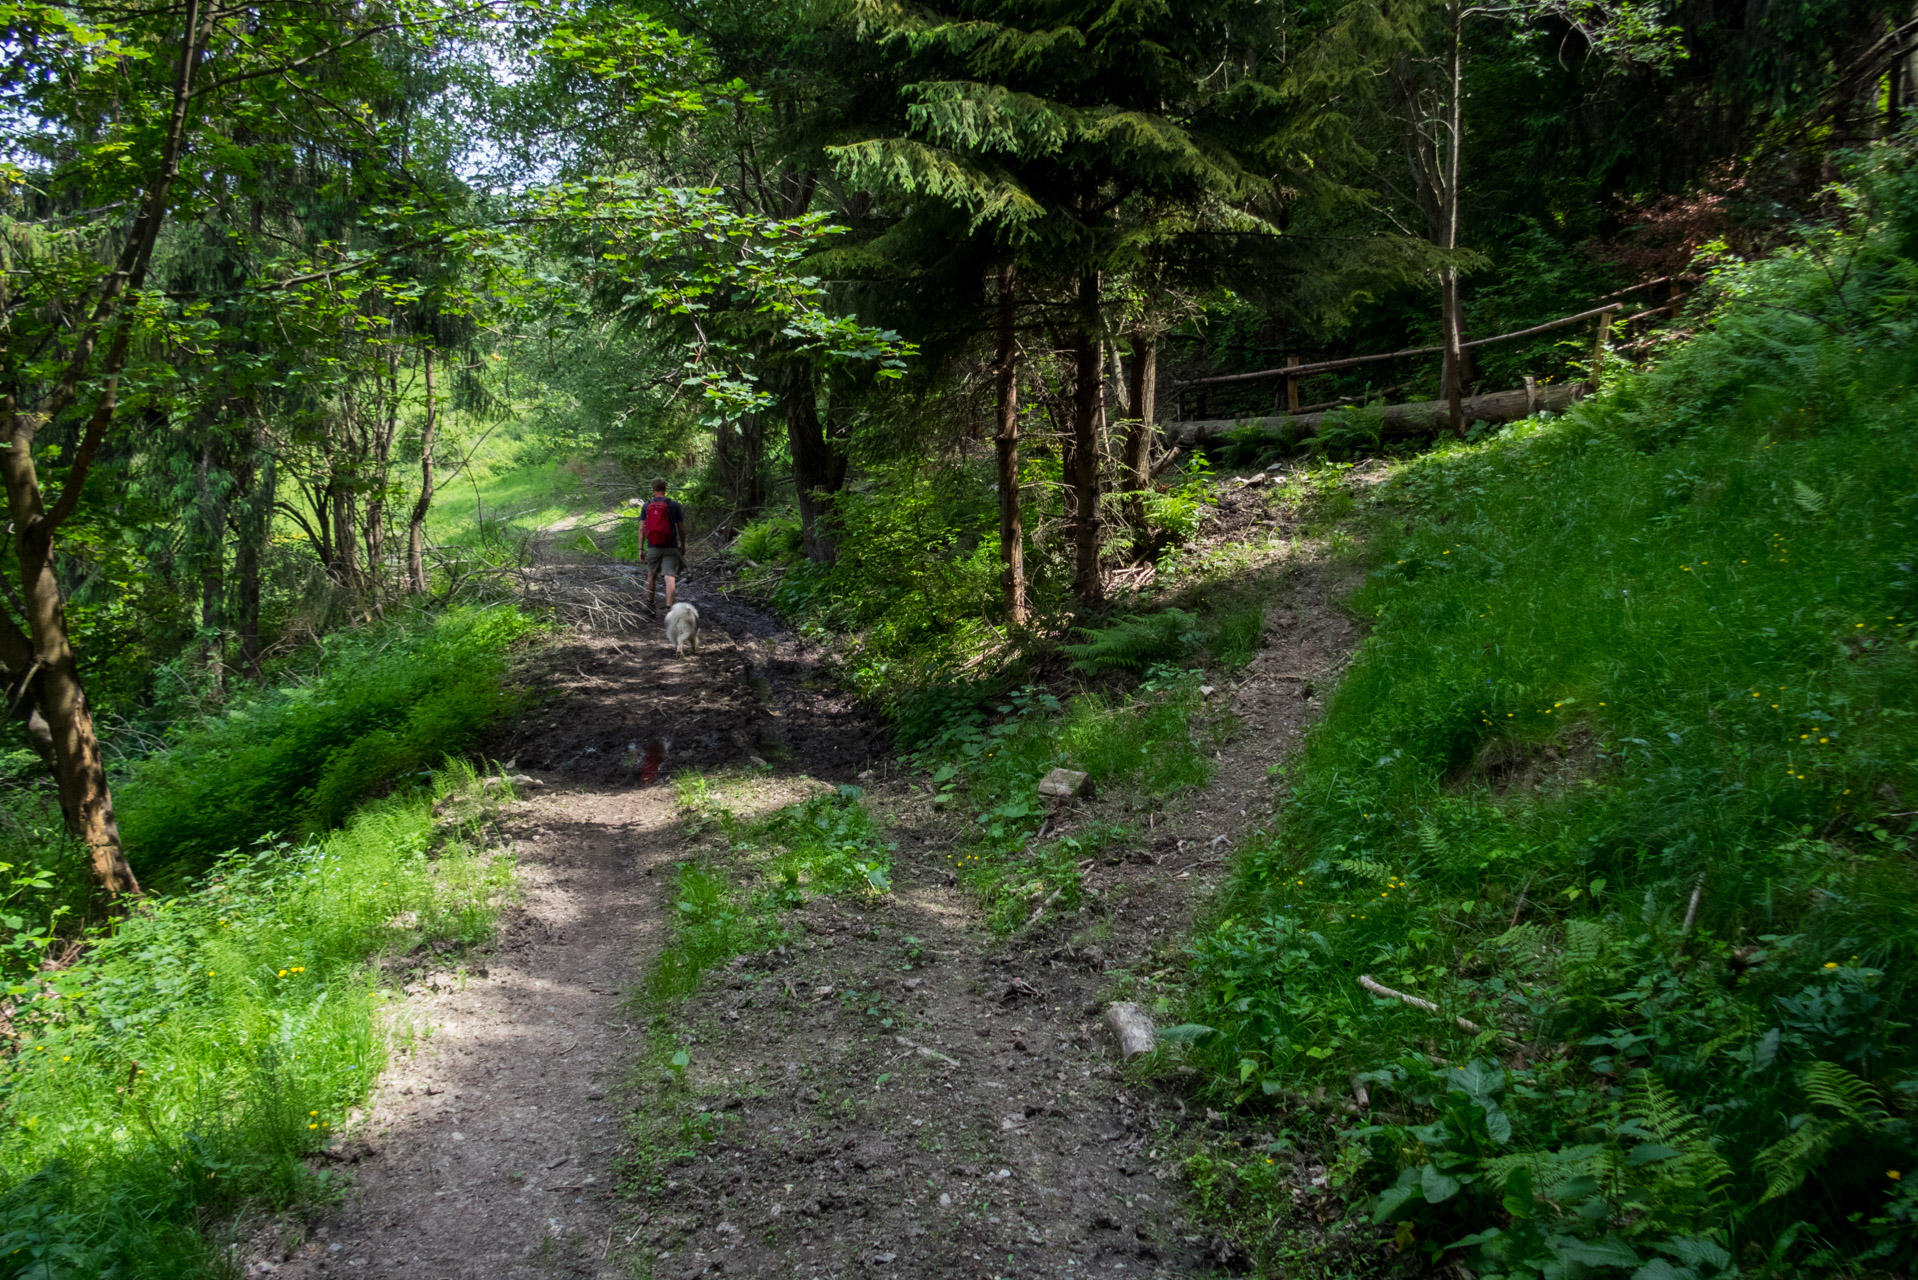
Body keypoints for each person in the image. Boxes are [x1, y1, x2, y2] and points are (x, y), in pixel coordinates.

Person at [637, 478, 686, 613]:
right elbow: (681, 528)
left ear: (653, 491)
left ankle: (649, 605)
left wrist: (640, 548)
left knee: (651, 574)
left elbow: (641, 529)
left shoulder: (646, 506)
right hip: (671, 546)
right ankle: (670, 610)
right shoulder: (674, 505)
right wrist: (683, 545)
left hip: (653, 547)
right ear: (665, 490)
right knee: (669, 577)